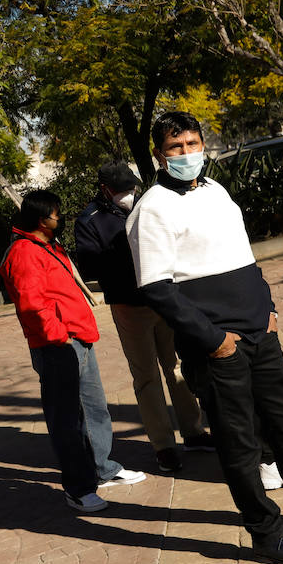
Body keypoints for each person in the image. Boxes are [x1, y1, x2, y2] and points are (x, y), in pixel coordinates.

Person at [127, 110, 283, 564]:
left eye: (192, 144)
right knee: (239, 442)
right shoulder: (152, 209)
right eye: (175, 148)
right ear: (159, 156)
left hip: (259, 332)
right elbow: (155, 288)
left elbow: (244, 257)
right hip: (218, 346)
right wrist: (213, 339)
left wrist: (268, 309)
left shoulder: (215, 190)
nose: (187, 154)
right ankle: (267, 532)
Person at [0, 189, 144, 514]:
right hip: (57, 345)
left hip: (76, 337)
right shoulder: (24, 252)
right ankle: (78, 488)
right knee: (68, 421)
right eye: (55, 214)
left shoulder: (45, 244)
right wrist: (60, 338)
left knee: (94, 409)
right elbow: (32, 304)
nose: (59, 218)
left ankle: (103, 469)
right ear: (40, 218)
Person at [75, 160, 212, 474]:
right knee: (146, 377)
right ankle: (163, 446)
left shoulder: (148, 204)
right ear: (105, 190)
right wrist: (125, 252)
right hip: (128, 306)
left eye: (131, 188)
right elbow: (90, 265)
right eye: (121, 190)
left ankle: (193, 432)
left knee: (177, 369)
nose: (128, 194)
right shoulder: (89, 220)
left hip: (164, 299)